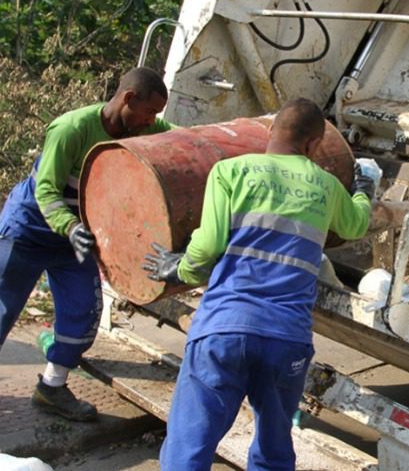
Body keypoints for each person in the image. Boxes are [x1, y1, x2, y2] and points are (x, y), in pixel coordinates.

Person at [0, 67, 173, 436]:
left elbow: (183, 139)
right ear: (128, 99)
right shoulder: (71, 129)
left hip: (73, 239)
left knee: (82, 312)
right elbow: (46, 191)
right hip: (30, 230)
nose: (151, 122)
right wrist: (71, 227)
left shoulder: (141, 129)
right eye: (148, 113)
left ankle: (52, 387)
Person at [144, 97, 374, 471]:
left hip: (223, 329)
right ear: (315, 144)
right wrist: (363, 189)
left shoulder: (230, 171)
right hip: (286, 340)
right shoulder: (328, 186)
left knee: (190, 445)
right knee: (273, 450)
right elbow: (355, 226)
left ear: (270, 131)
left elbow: (207, 246)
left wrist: (181, 270)